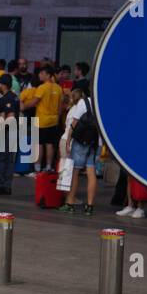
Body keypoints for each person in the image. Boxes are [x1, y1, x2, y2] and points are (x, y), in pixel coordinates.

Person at [59, 87, 99, 215]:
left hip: (80, 142)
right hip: (93, 141)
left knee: (74, 172)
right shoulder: (99, 102)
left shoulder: (83, 103)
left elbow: (74, 124)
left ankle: (69, 203)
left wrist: (69, 141)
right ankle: (90, 206)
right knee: (91, 172)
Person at [31, 66, 64, 172]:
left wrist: (23, 105)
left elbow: (34, 102)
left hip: (41, 121)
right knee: (49, 144)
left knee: (39, 144)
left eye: (42, 73)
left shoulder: (42, 87)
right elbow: (60, 107)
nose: (40, 75)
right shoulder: (58, 88)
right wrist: (58, 120)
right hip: (53, 121)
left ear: (48, 75)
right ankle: (49, 166)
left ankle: (37, 166)